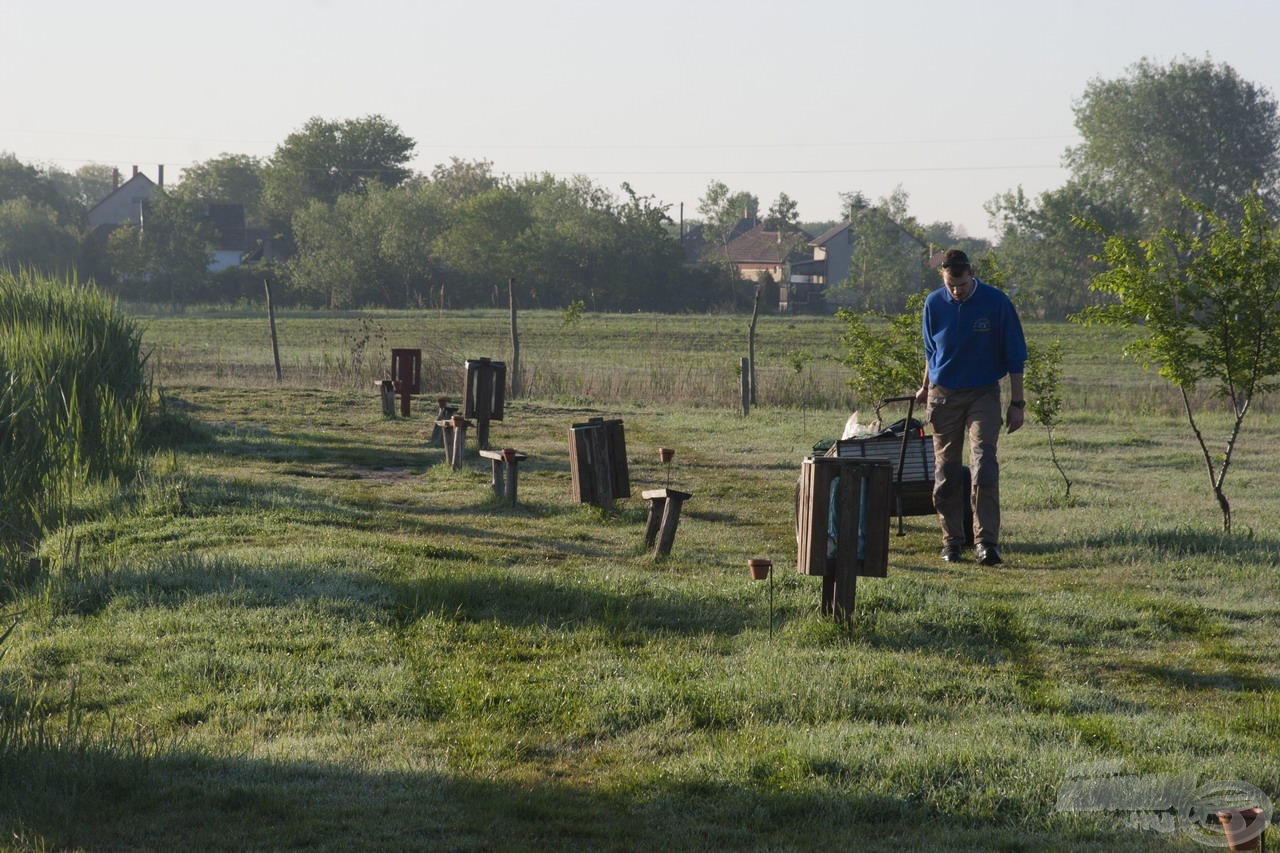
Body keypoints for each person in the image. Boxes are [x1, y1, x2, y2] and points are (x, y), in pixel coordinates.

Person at [914, 249, 1027, 565]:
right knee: (946, 470)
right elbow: (930, 350)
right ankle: (951, 541)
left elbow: (1015, 356)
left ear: (971, 274)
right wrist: (925, 386)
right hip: (943, 395)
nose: (956, 291)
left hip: (983, 394)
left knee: (983, 464)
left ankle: (986, 542)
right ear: (943, 278)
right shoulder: (933, 303)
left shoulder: (996, 302)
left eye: (961, 285)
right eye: (950, 285)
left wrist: (1017, 403)